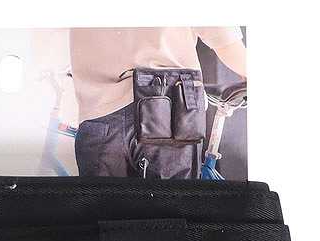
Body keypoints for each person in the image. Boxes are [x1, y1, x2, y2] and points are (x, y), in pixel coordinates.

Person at [69, 27, 246, 177]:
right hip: (168, 111)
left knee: (103, 205)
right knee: (170, 205)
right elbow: (226, 41)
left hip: (96, 114)